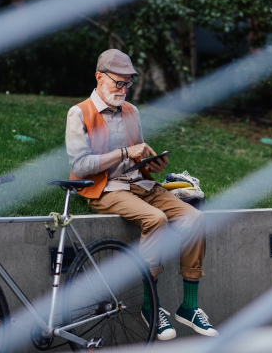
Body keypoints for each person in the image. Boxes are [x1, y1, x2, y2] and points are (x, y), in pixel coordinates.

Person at [65, 49, 218, 340]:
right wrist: (124, 153)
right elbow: (80, 166)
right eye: (117, 83)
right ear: (99, 77)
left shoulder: (131, 111)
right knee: (156, 219)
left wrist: (152, 163)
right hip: (105, 188)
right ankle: (150, 306)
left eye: (127, 84)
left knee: (196, 218)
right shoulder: (79, 113)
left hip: (141, 184)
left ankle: (189, 306)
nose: (123, 89)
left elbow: (136, 155)